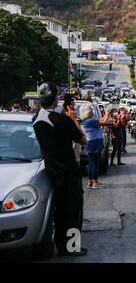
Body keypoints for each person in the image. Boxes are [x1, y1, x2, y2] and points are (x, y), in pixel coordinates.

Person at [32, 82, 88, 256]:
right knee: (73, 212)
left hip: (51, 171)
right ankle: (71, 248)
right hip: (68, 172)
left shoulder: (36, 119)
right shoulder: (62, 120)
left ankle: (60, 243)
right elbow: (83, 140)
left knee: (60, 211)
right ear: (55, 98)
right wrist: (73, 119)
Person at [80, 103, 110, 189]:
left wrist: (106, 113)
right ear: (87, 113)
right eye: (90, 110)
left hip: (91, 143)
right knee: (94, 163)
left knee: (91, 163)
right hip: (95, 143)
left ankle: (90, 181)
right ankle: (95, 182)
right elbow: (104, 122)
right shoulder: (90, 121)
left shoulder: (88, 121)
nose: (92, 111)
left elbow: (101, 120)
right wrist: (107, 112)